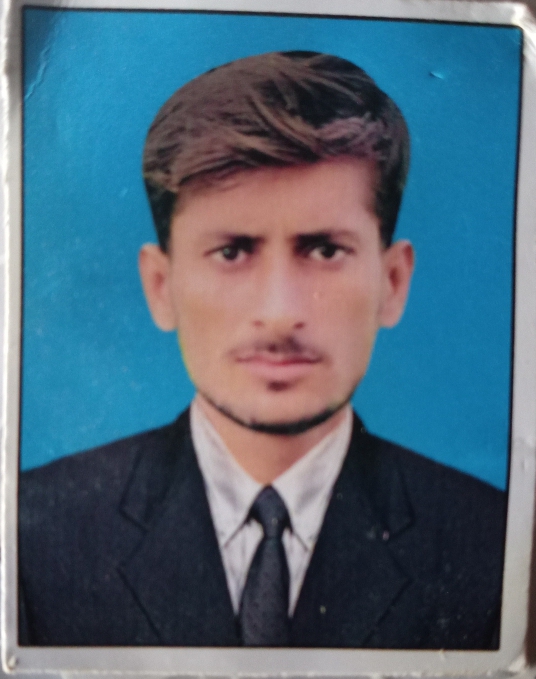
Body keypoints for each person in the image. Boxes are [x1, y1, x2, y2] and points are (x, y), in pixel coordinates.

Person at [19, 51, 506, 649]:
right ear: (161, 287)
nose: (279, 313)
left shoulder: (495, 545)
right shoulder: (30, 534)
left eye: (324, 250)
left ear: (393, 281)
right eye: (232, 252)